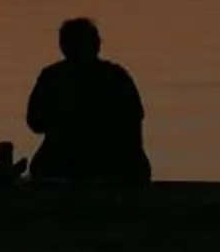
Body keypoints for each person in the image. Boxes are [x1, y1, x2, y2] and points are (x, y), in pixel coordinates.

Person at [24, 17, 150, 184]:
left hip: (63, 164)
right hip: (111, 164)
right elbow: (135, 124)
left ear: (63, 47)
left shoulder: (52, 77)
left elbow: (35, 123)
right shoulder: (117, 76)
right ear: (97, 45)